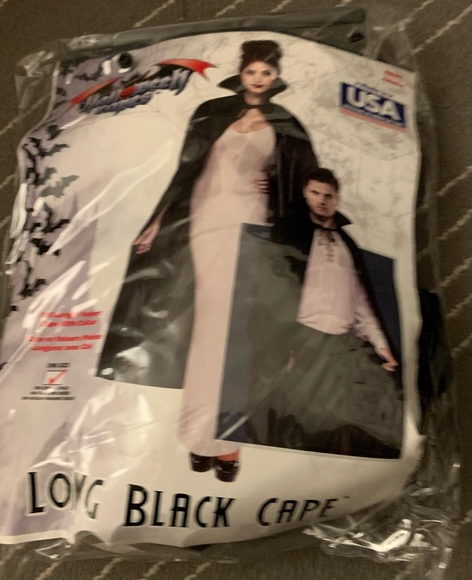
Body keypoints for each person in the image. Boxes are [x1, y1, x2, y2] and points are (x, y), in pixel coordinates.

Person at [97, 40, 319, 482]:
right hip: (204, 222)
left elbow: (306, 182)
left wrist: (275, 185)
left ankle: (221, 440)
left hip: (253, 227)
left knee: (235, 332)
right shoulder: (212, 112)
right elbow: (185, 175)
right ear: (242, 72)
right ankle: (204, 436)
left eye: (267, 73)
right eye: (253, 71)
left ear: (276, 77)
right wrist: (156, 223)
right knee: (209, 328)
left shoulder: (286, 123)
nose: (259, 79)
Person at [244, 168, 403, 458]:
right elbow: (274, 294)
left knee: (336, 419)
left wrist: (381, 345)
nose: (321, 200)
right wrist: (286, 345)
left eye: (328, 195)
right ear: (305, 193)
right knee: (294, 414)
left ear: (337, 199)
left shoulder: (347, 245)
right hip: (302, 339)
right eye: (315, 193)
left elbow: (360, 302)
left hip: (340, 345)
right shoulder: (290, 235)